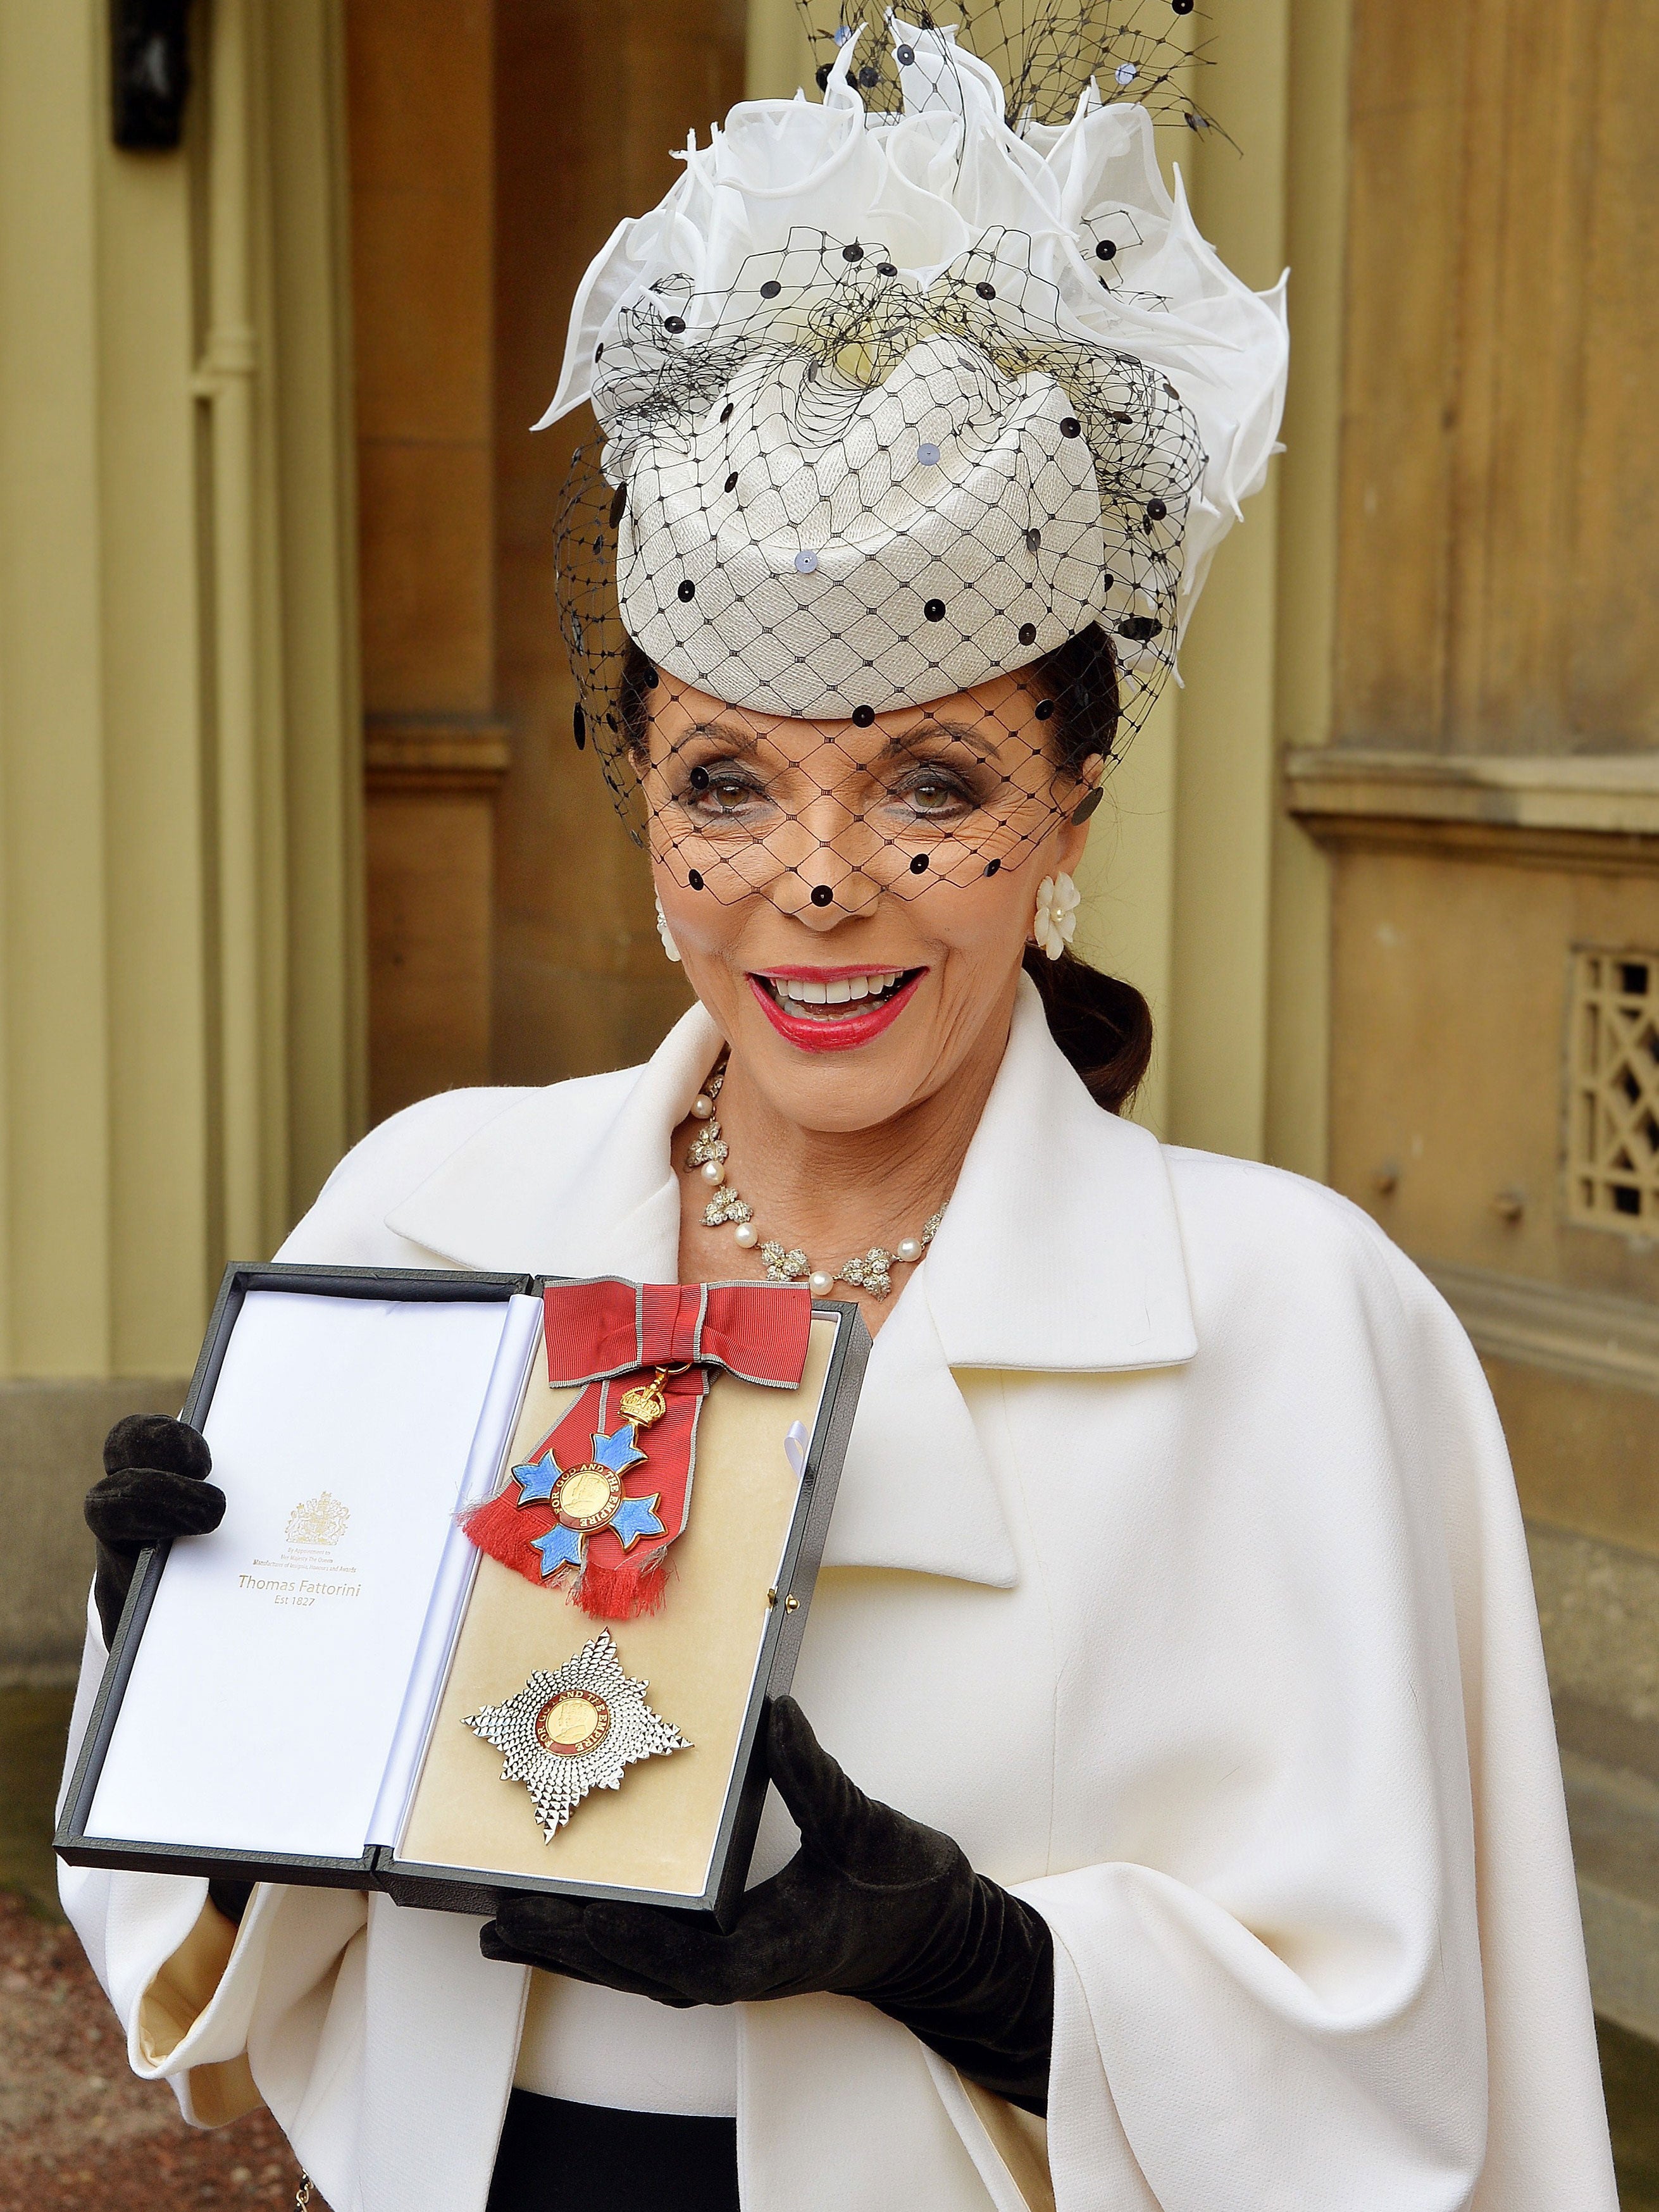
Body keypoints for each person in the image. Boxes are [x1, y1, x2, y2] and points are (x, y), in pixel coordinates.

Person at [65, 14, 1617, 2211]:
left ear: (1072, 800)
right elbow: (220, 1967)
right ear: (641, 807)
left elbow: (1392, 2045)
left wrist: (981, 1966)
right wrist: (192, 1696)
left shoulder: (1293, 1318)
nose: (820, 875)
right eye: (729, 782)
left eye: (932, 784)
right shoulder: (421, 1219)